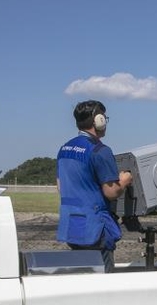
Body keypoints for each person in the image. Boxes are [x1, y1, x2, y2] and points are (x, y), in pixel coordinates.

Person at [56, 100, 133, 272]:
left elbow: (61, 186)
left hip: (73, 226)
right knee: (102, 284)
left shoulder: (64, 149)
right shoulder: (100, 150)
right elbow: (111, 192)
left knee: (82, 278)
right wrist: (124, 181)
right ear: (99, 120)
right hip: (95, 229)